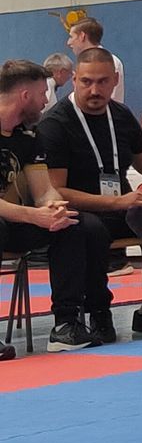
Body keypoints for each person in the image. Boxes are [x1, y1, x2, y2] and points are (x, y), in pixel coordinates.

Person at [37, 48, 142, 339]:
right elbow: (56, 190)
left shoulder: (121, 115)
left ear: (115, 80)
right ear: (74, 79)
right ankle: (98, 312)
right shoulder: (55, 124)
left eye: (102, 82)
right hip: (79, 211)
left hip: (123, 208)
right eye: (86, 82)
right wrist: (116, 201)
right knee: (90, 229)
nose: (94, 90)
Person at [0, 60, 92, 351]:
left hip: (15, 220)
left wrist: (53, 207)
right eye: (42, 94)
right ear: (25, 96)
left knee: (73, 223)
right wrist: (34, 215)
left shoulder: (29, 135)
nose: (46, 101)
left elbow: (43, 189)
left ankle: (66, 324)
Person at [67, 18, 126, 103]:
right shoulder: (83, 62)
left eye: (71, 37)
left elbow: (108, 99)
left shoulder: (109, 62)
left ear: (82, 36)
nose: (69, 42)